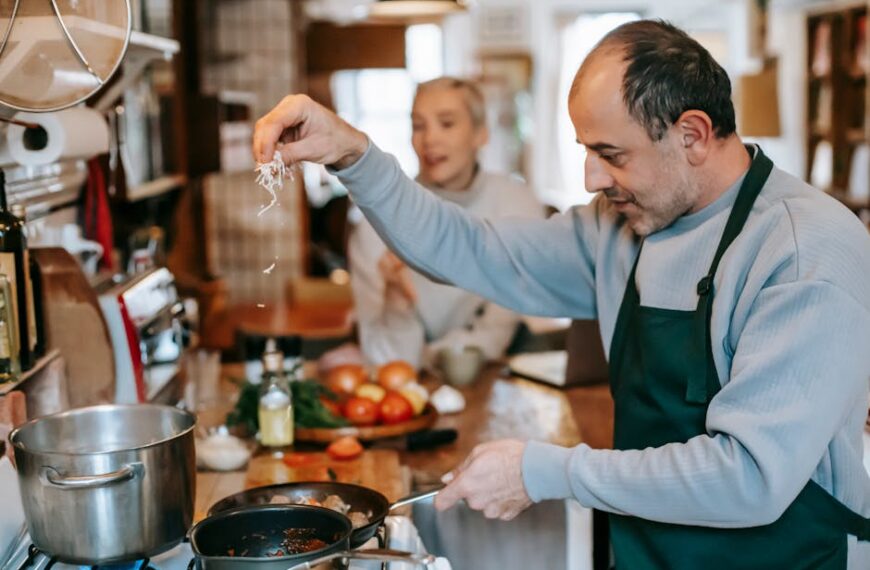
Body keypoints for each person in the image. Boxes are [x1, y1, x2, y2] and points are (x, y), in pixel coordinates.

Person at [254, 19, 870, 570]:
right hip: (644, 549)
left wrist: (545, 469)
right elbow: (468, 248)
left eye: (611, 154)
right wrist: (354, 155)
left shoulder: (804, 249)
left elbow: (751, 477)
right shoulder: (617, 226)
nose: (591, 180)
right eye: (586, 151)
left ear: (693, 134)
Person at [348, 76, 543, 369]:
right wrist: (397, 306)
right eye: (418, 126)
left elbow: (495, 332)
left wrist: (432, 357)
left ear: (481, 133)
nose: (430, 140)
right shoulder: (375, 225)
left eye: (447, 123)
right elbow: (386, 363)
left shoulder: (518, 206)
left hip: (487, 378)